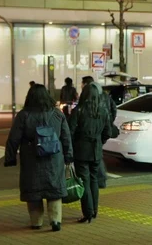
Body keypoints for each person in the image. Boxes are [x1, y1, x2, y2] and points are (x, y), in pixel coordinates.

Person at [4, 84, 73, 231]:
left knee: (34, 191)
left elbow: (13, 138)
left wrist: (10, 158)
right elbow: (66, 138)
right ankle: (55, 221)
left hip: (31, 159)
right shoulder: (57, 114)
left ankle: (36, 222)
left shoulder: (24, 115)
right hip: (54, 158)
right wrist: (68, 156)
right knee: (54, 190)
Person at [68, 84, 111, 223]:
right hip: (96, 149)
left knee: (84, 181)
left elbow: (70, 132)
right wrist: (99, 142)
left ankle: (88, 212)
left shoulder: (78, 111)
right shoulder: (103, 111)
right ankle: (94, 211)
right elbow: (108, 132)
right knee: (94, 180)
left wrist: (73, 147)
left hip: (81, 150)